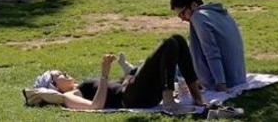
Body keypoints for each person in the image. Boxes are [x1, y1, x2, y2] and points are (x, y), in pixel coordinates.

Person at [34, 35, 208, 113]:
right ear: (54, 86)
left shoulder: (79, 87)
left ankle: (197, 96)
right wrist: (104, 75)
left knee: (177, 40)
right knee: (168, 43)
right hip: (132, 97)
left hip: (136, 91)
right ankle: (169, 102)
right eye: (60, 75)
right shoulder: (69, 96)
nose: (65, 73)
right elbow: (96, 106)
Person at [170, 0, 247, 92]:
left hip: (224, 80)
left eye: (183, 13)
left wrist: (221, 83)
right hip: (238, 77)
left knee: (167, 69)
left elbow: (211, 52)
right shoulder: (219, 13)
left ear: (194, 5)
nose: (183, 19)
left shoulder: (198, 17)